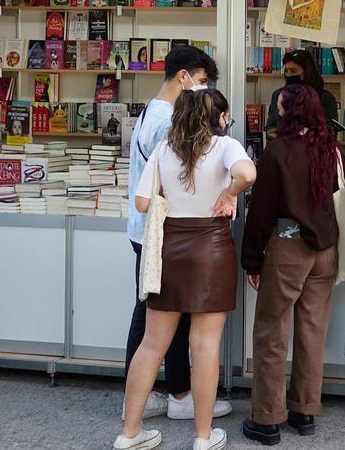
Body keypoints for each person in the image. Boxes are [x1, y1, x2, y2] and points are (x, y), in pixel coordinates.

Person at [116, 89, 256, 450]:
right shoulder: (225, 147)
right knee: (205, 346)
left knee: (151, 344)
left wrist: (171, 199)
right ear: (218, 117)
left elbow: (143, 202)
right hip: (210, 250)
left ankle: (129, 433)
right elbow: (248, 173)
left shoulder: (164, 149)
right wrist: (229, 193)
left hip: (169, 249)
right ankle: (203, 437)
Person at [122, 46, 231, 423]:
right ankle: (170, 394)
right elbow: (176, 179)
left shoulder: (152, 112)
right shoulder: (165, 121)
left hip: (152, 229)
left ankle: (159, 394)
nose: (203, 91)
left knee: (157, 313)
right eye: (201, 82)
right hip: (164, 230)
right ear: (183, 77)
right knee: (160, 318)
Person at [241, 85, 345, 445]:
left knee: (272, 332)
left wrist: (252, 258)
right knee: (312, 331)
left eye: (280, 108)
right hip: (325, 249)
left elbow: (261, 212)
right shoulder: (330, 148)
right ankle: (305, 411)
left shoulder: (277, 151)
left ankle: (267, 418)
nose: (277, 113)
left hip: (287, 247)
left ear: (290, 113)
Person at [265, 49, 338, 138]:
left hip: (314, 149)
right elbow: (269, 129)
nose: (288, 75)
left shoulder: (325, 98)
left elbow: (330, 132)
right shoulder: (278, 95)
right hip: (283, 147)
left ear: (307, 72)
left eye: (293, 71)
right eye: (286, 70)